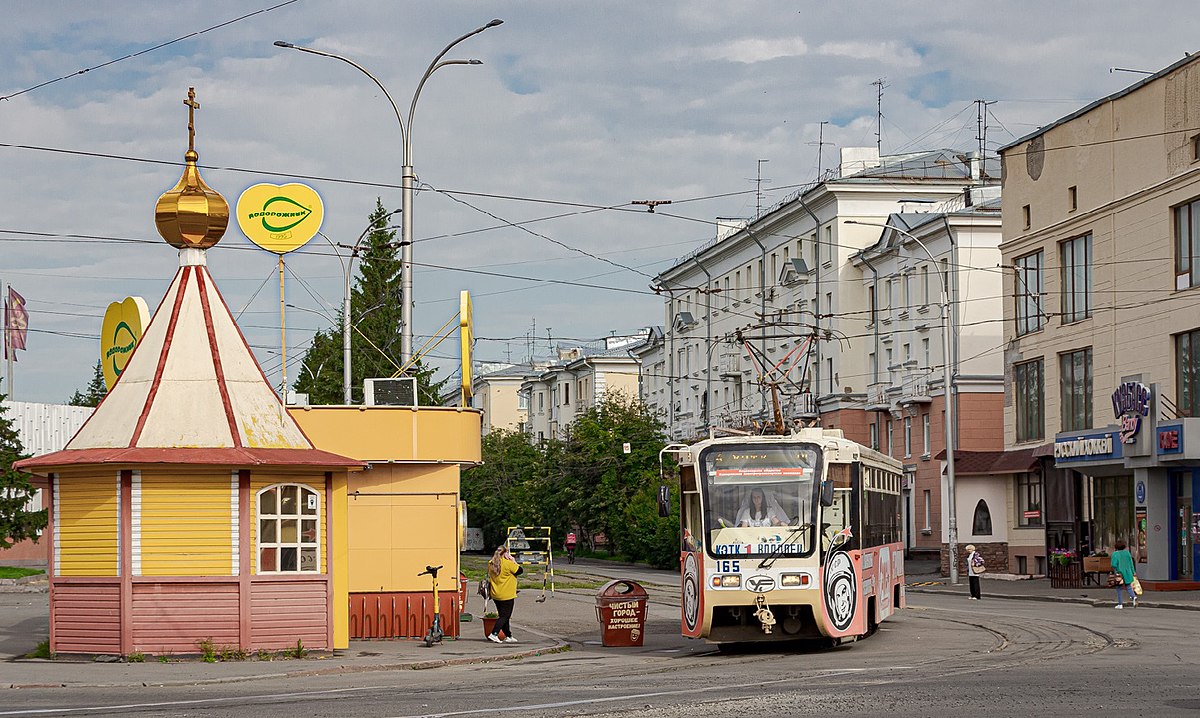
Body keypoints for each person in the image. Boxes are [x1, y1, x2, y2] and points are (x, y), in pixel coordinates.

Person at [487, 545, 523, 643]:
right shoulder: (508, 564)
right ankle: (494, 633)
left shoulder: (491, 564)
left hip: (495, 594)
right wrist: (513, 560)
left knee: (503, 616)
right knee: (505, 616)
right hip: (507, 594)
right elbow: (520, 570)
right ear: (505, 553)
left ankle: (508, 635)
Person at [1110, 539, 1138, 609]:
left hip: (1119, 573)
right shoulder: (1127, 553)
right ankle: (1133, 596)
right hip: (1128, 572)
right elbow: (1131, 563)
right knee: (1128, 586)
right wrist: (1133, 571)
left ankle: (1120, 604)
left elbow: (1113, 564)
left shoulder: (1115, 554)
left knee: (1119, 588)